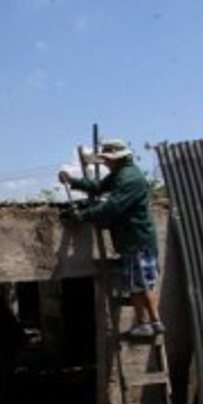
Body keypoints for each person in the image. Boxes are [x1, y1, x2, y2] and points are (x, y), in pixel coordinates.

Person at [58, 139, 163, 338]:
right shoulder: (120, 174)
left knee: (140, 284)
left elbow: (112, 207)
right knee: (141, 283)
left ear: (119, 158)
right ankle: (153, 322)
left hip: (136, 239)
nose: (105, 162)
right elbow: (97, 186)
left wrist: (83, 216)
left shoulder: (129, 178)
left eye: (107, 159)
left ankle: (147, 322)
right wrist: (73, 181)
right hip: (133, 238)